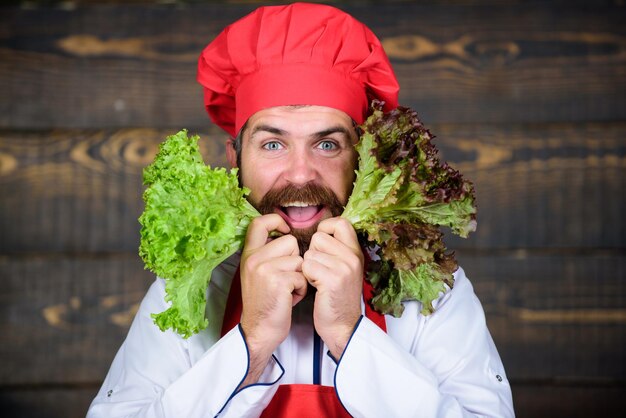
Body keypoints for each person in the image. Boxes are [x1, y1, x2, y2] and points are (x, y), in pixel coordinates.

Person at [88, 3, 514, 417]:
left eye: (327, 144)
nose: (298, 174)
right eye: (272, 144)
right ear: (234, 162)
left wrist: (350, 333)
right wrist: (251, 344)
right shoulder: (189, 287)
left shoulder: (428, 286)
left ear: (364, 161)